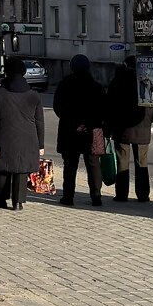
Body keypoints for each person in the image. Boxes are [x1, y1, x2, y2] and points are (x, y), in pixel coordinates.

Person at [0, 57, 46, 210]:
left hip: (4, 136)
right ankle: (18, 202)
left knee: (3, 168)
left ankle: (1, 199)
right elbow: (39, 121)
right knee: (21, 169)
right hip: (28, 138)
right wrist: (41, 144)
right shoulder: (33, 94)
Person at [53, 55, 105, 206]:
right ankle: (96, 196)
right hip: (92, 130)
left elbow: (58, 107)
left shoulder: (64, 85)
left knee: (70, 165)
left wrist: (75, 124)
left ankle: (68, 197)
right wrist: (87, 124)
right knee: (93, 164)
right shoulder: (96, 86)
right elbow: (102, 110)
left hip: (69, 130)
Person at [105, 55, 153, 203]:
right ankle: (143, 195)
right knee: (142, 164)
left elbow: (109, 108)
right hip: (142, 130)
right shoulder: (147, 81)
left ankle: (121, 195)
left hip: (122, 130)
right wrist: (147, 121)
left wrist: (109, 128)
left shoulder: (117, 82)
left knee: (122, 162)